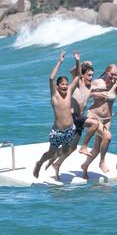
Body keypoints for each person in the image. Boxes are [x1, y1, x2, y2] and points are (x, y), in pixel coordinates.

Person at [33, 51, 80, 180]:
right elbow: (51, 78)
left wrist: (77, 61)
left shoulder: (69, 92)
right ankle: (40, 163)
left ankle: (53, 161)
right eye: (62, 84)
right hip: (58, 132)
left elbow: (78, 77)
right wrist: (60, 61)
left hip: (70, 130)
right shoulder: (55, 96)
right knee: (50, 153)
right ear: (58, 87)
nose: (65, 86)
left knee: (65, 151)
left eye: (66, 84)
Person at [80, 64, 117, 179]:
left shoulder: (116, 85)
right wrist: (95, 94)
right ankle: (102, 162)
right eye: (111, 74)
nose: (114, 76)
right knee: (107, 137)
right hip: (94, 115)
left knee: (97, 148)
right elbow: (84, 94)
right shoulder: (98, 82)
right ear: (106, 72)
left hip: (107, 119)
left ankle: (85, 166)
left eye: (116, 74)